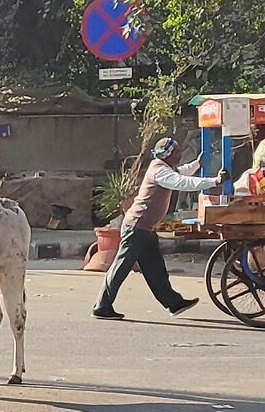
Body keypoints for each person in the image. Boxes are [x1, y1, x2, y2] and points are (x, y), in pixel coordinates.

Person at [93, 136, 228, 319]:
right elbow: (181, 182)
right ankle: (102, 306)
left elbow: (181, 172)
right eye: (177, 152)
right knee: (121, 267)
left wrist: (197, 164)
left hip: (145, 229)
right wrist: (214, 181)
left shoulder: (165, 167)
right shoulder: (159, 171)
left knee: (155, 269)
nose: (180, 154)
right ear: (168, 155)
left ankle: (174, 303)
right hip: (136, 227)